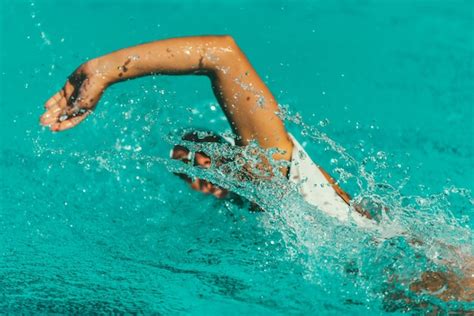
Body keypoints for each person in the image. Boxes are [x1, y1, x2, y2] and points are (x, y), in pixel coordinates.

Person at [40, 35, 472, 305]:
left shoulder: (277, 171)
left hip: (436, 280)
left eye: (200, 168)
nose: (201, 184)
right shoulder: (273, 208)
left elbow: (221, 54)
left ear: (223, 159)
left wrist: (105, 70)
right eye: (189, 177)